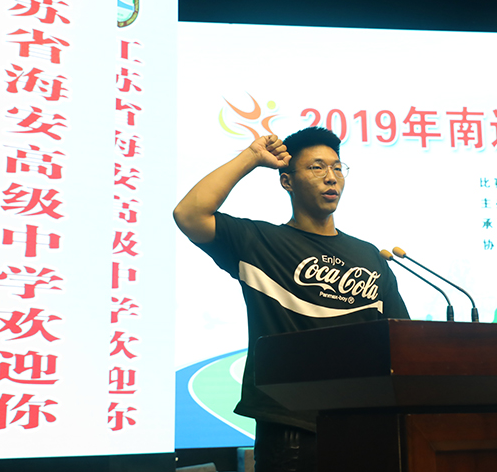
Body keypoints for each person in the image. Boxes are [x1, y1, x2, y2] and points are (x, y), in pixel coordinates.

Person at [173, 127, 410, 472]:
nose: (331, 177)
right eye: (317, 167)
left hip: (365, 426)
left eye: (337, 167)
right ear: (287, 181)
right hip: (291, 431)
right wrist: (252, 157)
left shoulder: (370, 256)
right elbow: (189, 214)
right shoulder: (258, 242)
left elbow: (402, 340)